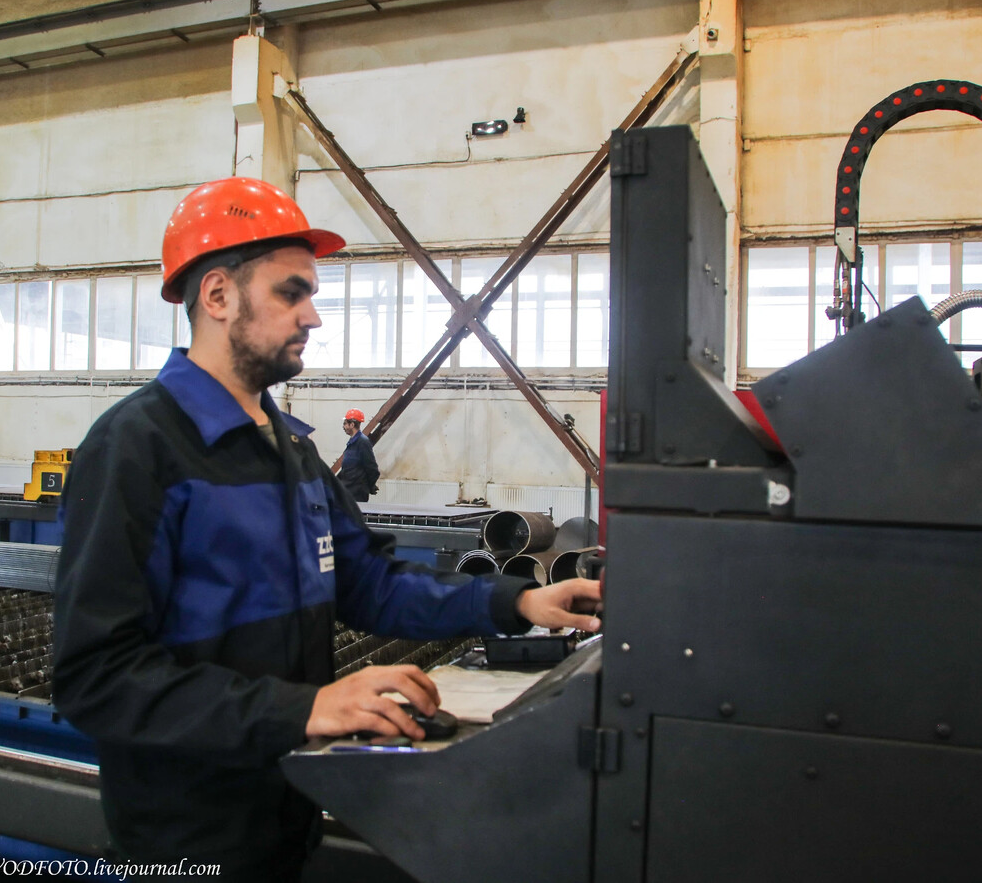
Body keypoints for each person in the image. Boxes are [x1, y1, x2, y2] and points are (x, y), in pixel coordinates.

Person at [51, 176, 603, 882]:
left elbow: (368, 583)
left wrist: (517, 603)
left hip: (289, 816)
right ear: (217, 296)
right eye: (291, 292)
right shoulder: (137, 448)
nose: (312, 316)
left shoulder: (288, 448)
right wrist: (306, 706)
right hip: (186, 839)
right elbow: (96, 675)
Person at [337, 408, 379, 501]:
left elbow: (372, 468)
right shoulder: (352, 442)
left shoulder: (362, 442)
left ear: (352, 425)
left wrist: (369, 486)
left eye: (345, 424)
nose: (343, 427)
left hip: (357, 494)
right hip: (348, 491)